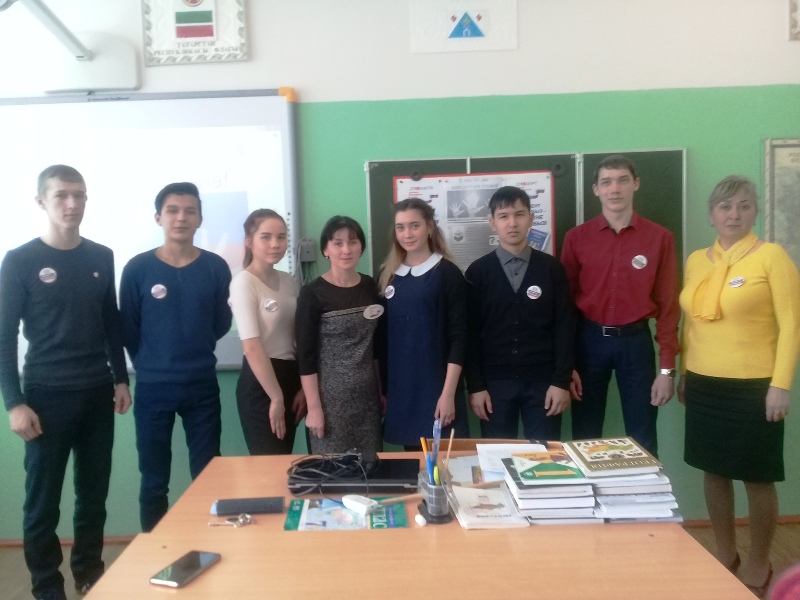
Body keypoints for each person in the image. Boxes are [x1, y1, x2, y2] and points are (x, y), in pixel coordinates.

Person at [0, 165, 132, 600]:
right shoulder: (20, 260)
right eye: (61, 195)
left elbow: (110, 323)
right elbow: (3, 336)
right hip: (45, 398)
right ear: (42, 201)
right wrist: (14, 402)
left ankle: (89, 573)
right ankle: (46, 586)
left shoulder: (101, 256)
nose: (72, 204)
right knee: (42, 504)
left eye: (79, 195)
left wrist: (120, 379)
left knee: (92, 498)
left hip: (97, 394)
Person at [679, 175, 800, 597]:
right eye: (725, 207)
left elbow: (791, 326)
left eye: (744, 206)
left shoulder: (771, 257)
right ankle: (726, 553)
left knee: (756, 476)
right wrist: (684, 371)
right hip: (704, 382)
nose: (734, 214)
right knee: (713, 471)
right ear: (712, 214)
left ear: (755, 212)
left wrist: (781, 385)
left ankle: (759, 560)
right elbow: (690, 323)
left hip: (754, 386)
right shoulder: (698, 260)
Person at [120, 182, 232, 532]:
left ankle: (210, 543)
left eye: (189, 211)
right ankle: (156, 549)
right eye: (172, 210)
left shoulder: (215, 267)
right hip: (153, 388)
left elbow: (221, 322)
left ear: (200, 219)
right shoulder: (138, 268)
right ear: (158, 217)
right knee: (154, 480)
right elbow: (129, 329)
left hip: (201, 385)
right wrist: (152, 361)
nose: (181, 217)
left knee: (208, 475)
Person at [561, 154, 679, 456]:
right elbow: (565, 307)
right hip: (588, 342)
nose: (615, 189)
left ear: (635, 184)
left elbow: (668, 307)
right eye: (607, 182)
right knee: (585, 433)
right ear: (596, 189)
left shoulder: (660, 238)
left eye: (622, 180)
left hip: (636, 343)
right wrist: (567, 365)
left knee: (642, 434)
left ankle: (645, 487)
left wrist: (667, 371)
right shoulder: (576, 238)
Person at [465, 186, 574, 441]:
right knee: (497, 457)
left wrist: (561, 382)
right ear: (493, 223)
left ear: (531, 219)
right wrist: (476, 386)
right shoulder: (478, 272)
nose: (512, 223)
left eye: (519, 214)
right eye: (503, 216)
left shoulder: (552, 269)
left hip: (544, 384)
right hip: (494, 386)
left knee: (545, 455)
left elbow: (564, 327)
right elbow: (470, 334)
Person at [379, 199, 469, 449]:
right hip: (403, 392)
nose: (407, 234)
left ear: (429, 227)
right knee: (413, 464)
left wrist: (448, 395)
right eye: (400, 227)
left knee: (444, 464)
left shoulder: (447, 274)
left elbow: (460, 338)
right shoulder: (388, 276)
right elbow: (382, 340)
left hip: (438, 391)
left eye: (414, 225)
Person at [295, 216, 383, 455]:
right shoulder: (312, 293)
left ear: (361, 247)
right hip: (329, 403)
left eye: (353, 242)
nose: (346, 250)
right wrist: (314, 408)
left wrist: (380, 391)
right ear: (326, 249)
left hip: (367, 401)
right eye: (338, 243)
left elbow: (376, 347)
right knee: (331, 469)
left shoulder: (370, 287)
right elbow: (305, 356)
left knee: (369, 469)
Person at [229, 209, 306, 454]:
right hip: (262, 384)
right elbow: (252, 346)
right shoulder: (243, 282)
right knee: (268, 464)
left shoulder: (288, 280)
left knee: (284, 461)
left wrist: (302, 386)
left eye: (281, 237)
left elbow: (298, 337)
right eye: (266, 237)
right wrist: (276, 397)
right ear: (249, 241)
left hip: (290, 377)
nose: (275, 244)